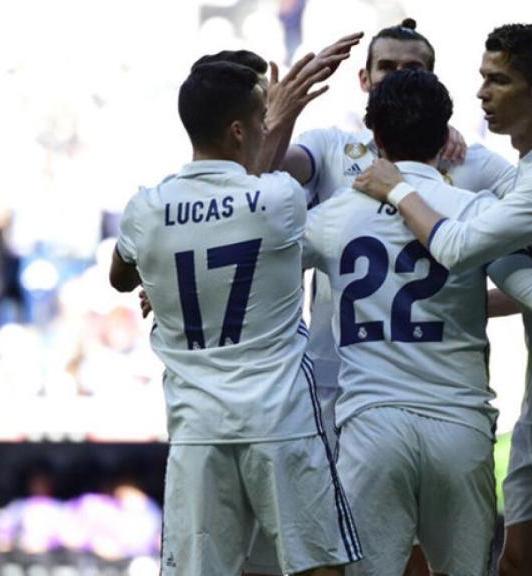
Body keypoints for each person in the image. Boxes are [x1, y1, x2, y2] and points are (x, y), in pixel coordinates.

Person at [300, 68, 532, 576]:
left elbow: (260, 259)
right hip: (457, 426)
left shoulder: (333, 216)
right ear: (447, 138)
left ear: (373, 137)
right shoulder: (474, 209)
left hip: (370, 428)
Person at [109, 51, 363, 576]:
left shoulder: (147, 208)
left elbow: (121, 276)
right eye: (259, 121)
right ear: (240, 132)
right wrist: (282, 118)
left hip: (198, 428)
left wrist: (168, 274)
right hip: (280, 418)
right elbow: (251, 199)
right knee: (320, 568)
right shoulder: (279, 198)